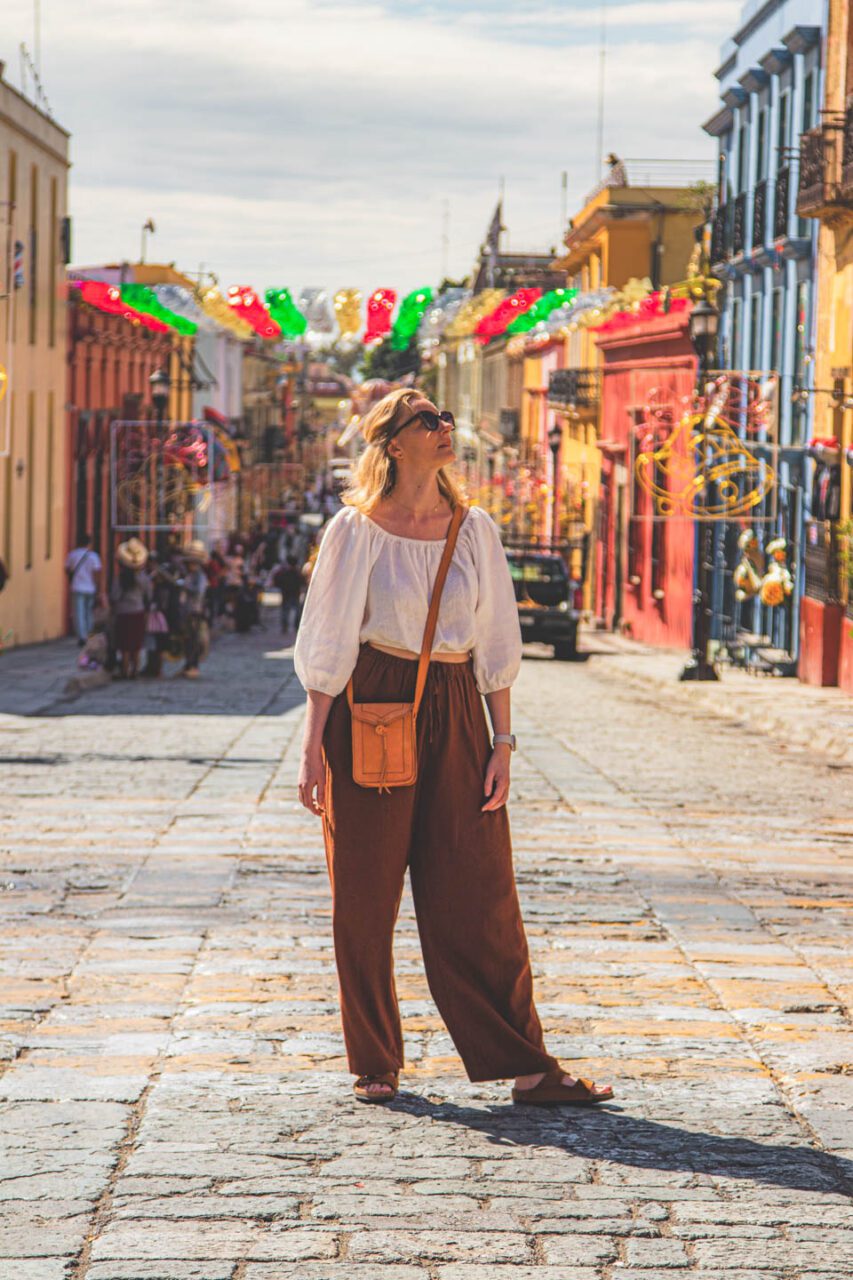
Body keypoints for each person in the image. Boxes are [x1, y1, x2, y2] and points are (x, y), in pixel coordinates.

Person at [294, 388, 614, 1107]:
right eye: (426, 422)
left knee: (481, 891)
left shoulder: (474, 531)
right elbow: (327, 641)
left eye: (443, 418)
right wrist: (313, 743)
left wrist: (502, 742)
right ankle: (375, 1059)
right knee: (365, 895)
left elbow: (496, 640)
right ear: (393, 444)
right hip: (370, 704)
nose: (444, 429)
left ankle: (526, 1065)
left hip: (457, 709)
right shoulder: (355, 530)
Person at [110, 538, 151, 679]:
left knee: (124, 644)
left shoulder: (120, 578)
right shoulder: (143, 578)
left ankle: (124, 671)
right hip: (138, 612)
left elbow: (114, 596)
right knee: (136, 644)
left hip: (122, 613)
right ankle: (135, 671)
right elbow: (148, 595)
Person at [178, 540, 209, 678]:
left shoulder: (200, 576)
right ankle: (188, 664)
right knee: (187, 639)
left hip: (195, 611)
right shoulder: (189, 575)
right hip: (187, 610)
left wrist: (185, 587)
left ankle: (193, 665)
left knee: (194, 640)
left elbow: (199, 592)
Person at [65, 534, 103, 645]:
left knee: (79, 613)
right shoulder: (93, 556)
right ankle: (89, 634)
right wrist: (98, 587)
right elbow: (97, 573)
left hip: (77, 587)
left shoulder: (72, 555)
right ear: (89, 543)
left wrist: (72, 579)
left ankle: (82, 637)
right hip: (90, 588)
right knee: (88, 612)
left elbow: (67, 570)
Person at [273, 554, 304, 638]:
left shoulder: (284, 572)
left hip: (286, 594)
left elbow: (277, 580)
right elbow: (302, 582)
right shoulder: (297, 573)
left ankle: (285, 627)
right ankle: (295, 626)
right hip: (294, 594)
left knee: (285, 611)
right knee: (296, 611)